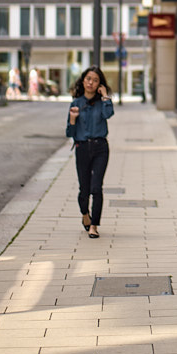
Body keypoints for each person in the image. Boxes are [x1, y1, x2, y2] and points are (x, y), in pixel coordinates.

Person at [66, 66, 114, 239]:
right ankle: (85, 214)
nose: (91, 83)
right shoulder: (76, 103)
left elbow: (109, 114)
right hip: (83, 148)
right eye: (88, 79)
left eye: (95, 80)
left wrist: (105, 95)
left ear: (99, 84)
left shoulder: (103, 102)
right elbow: (69, 134)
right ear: (83, 81)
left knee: (96, 187)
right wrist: (72, 120)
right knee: (84, 189)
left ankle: (94, 225)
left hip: (101, 147)